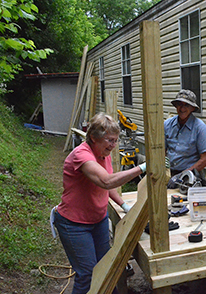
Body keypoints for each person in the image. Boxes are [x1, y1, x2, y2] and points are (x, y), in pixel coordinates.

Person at [53, 113, 146, 294]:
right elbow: (106, 181)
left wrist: (123, 205)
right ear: (94, 137)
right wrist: (142, 168)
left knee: (105, 268)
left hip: (98, 221)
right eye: (109, 140)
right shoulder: (82, 155)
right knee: (87, 275)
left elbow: (105, 184)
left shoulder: (104, 154)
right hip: (74, 224)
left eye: (116, 140)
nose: (113, 145)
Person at [164, 89, 206, 177]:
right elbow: (161, 151)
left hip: (191, 175)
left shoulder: (199, 127)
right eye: (179, 104)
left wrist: (183, 175)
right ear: (175, 106)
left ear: (192, 108)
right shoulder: (167, 124)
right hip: (169, 173)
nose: (182, 108)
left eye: (186, 105)